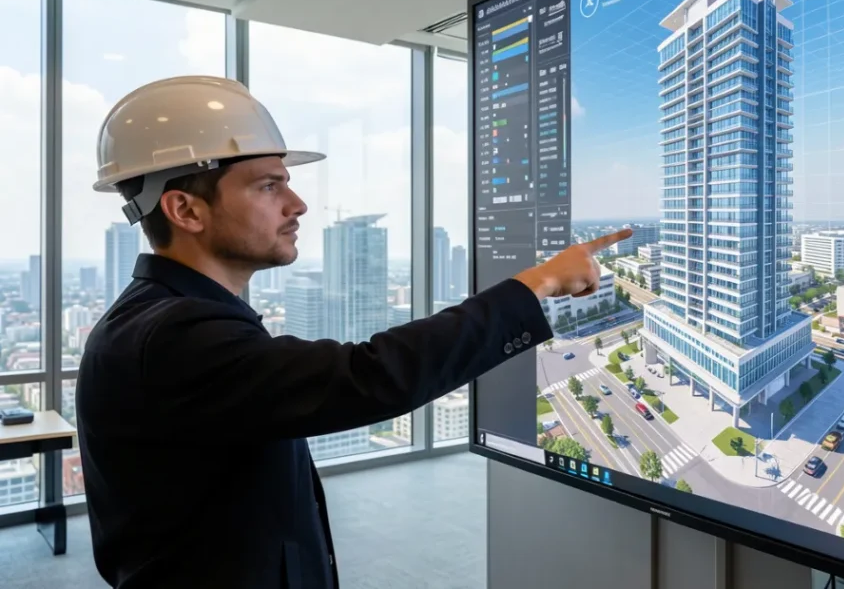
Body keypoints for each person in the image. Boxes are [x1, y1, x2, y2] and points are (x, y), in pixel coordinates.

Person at [75, 76, 631, 589]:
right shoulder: (175, 335)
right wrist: (536, 284)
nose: (298, 205)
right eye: (269, 187)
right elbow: (369, 376)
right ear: (185, 210)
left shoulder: (163, 316)